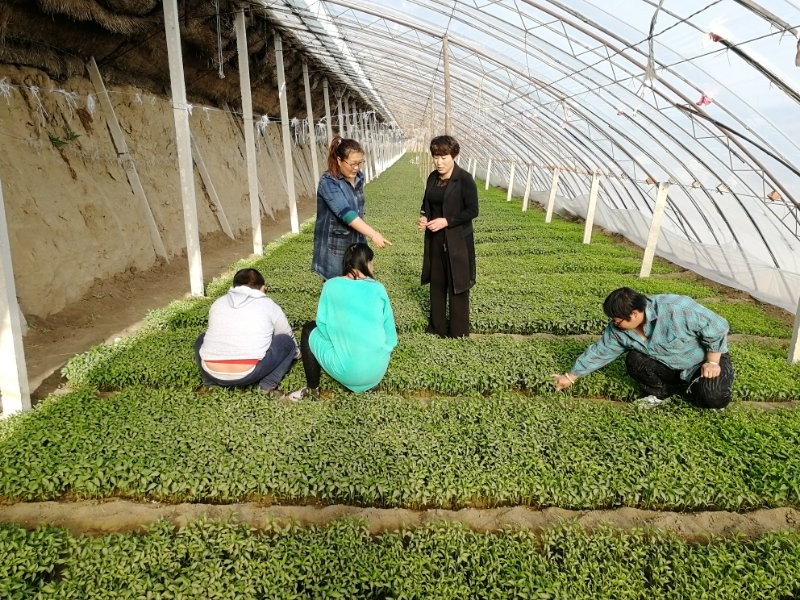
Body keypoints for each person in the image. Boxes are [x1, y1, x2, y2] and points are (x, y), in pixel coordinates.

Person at [551, 287, 734, 409]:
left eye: (617, 320)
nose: (615, 324)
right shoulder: (618, 330)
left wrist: (712, 362)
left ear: (634, 313)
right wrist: (570, 377)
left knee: (713, 399)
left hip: (702, 363)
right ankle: (659, 393)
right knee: (635, 359)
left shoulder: (675, 308)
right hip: (667, 363)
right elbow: (600, 351)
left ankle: (694, 386)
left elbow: (718, 326)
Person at [290, 243, 398, 400]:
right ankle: (368, 381)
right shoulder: (378, 288)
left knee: (308, 330)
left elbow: (322, 326)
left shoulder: (330, 285)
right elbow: (389, 331)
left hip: (348, 371)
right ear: (366, 262)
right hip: (377, 371)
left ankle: (312, 388)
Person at [195, 268, 299, 396]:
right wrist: (295, 353)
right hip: (248, 374)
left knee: (202, 338)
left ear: (233, 287)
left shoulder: (218, 302)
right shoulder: (268, 304)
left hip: (211, 372)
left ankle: (209, 384)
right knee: (286, 341)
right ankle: (267, 385)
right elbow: (285, 333)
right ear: (262, 288)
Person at [417, 135, 479, 338]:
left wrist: (447, 221)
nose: (439, 162)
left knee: (457, 284)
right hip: (435, 239)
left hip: (457, 241)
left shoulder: (464, 179)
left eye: (444, 157)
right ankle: (437, 327)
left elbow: (472, 211)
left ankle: (458, 332)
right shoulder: (432, 178)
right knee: (437, 283)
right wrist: (424, 218)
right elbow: (427, 203)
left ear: (453, 155)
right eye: (436, 157)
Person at [312, 136, 391, 280]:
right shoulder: (329, 183)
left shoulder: (359, 177)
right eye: (353, 164)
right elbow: (347, 214)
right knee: (337, 290)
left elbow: (358, 210)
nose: (356, 168)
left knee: (357, 286)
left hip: (356, 244)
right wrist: (373, 234)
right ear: (339, 160)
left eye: (360, 163)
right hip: (336, 248)